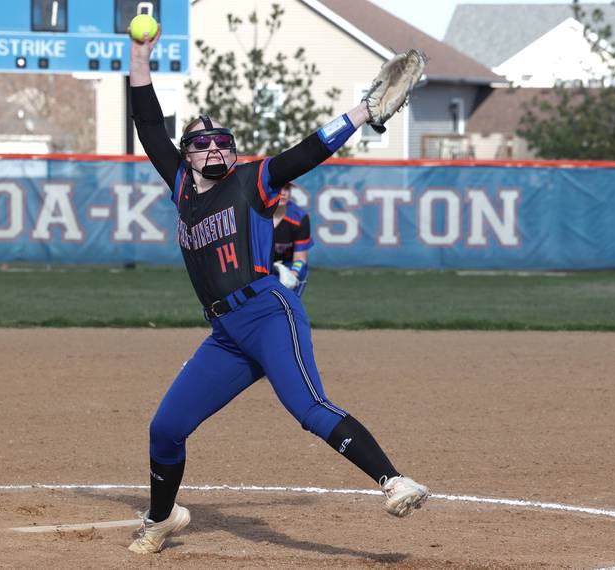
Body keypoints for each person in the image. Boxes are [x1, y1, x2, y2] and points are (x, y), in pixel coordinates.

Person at [127, 26, 429, 555]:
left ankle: (394, 481)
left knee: (308, 407)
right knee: (165, 427)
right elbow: (148, 121)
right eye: (203, 140)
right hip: (225, 333)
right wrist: (138, 57)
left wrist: (362, 112)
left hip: (269, 313)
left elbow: (307, 151)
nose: (215, 144)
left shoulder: (251, 180)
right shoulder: (180, 188)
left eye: (223, 139)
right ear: (186, 156)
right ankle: (162, 519)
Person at [272, 182, 312, 297]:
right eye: (279, 188)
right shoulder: (257, 215)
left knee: (301, 271)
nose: (283, 193)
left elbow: (300, 258)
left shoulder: (300, 217)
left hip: (289, 264)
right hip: (263, 266)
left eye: (287, 188)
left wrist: (293, 274)